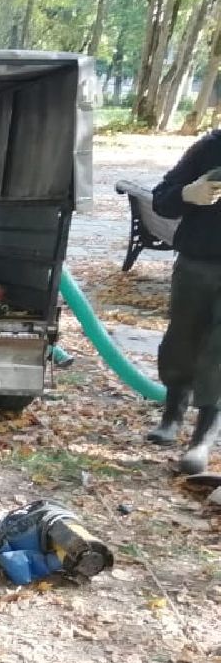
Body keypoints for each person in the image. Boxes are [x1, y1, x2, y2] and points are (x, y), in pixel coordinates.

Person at [148, 130, 221, 475]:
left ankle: (203, 439)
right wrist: (189, 194)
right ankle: (172, 416)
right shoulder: (209, 147)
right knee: (182, 339)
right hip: (197, 261)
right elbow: (162, 198)